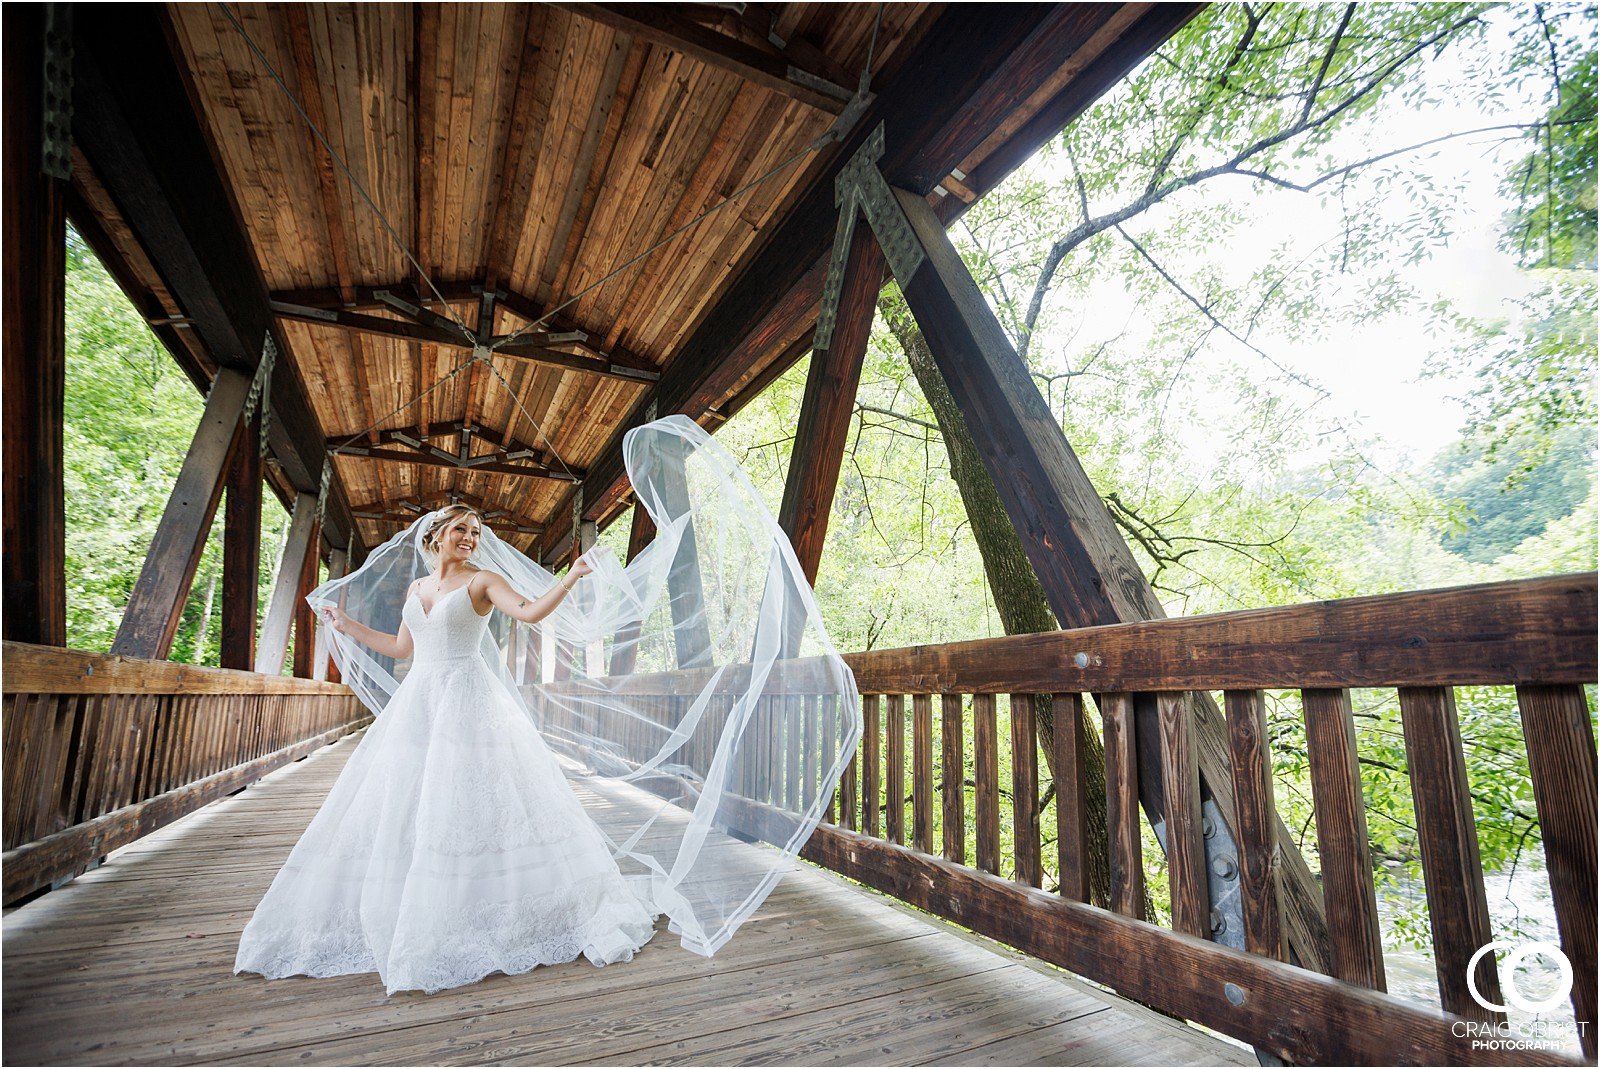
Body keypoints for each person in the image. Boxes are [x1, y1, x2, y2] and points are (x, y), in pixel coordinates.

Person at [233, 504, 660, 995]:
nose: (470, 538)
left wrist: (572, 578)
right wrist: (345, 625)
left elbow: (528, 611)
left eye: (476, 532)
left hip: (468, 698)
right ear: (436, 534)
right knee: (410, 795)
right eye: (461, 529)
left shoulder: (483, 581)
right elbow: (401, 649)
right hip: (420, 700)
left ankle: (489, 903)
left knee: (473, 796)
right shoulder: (417, 589)